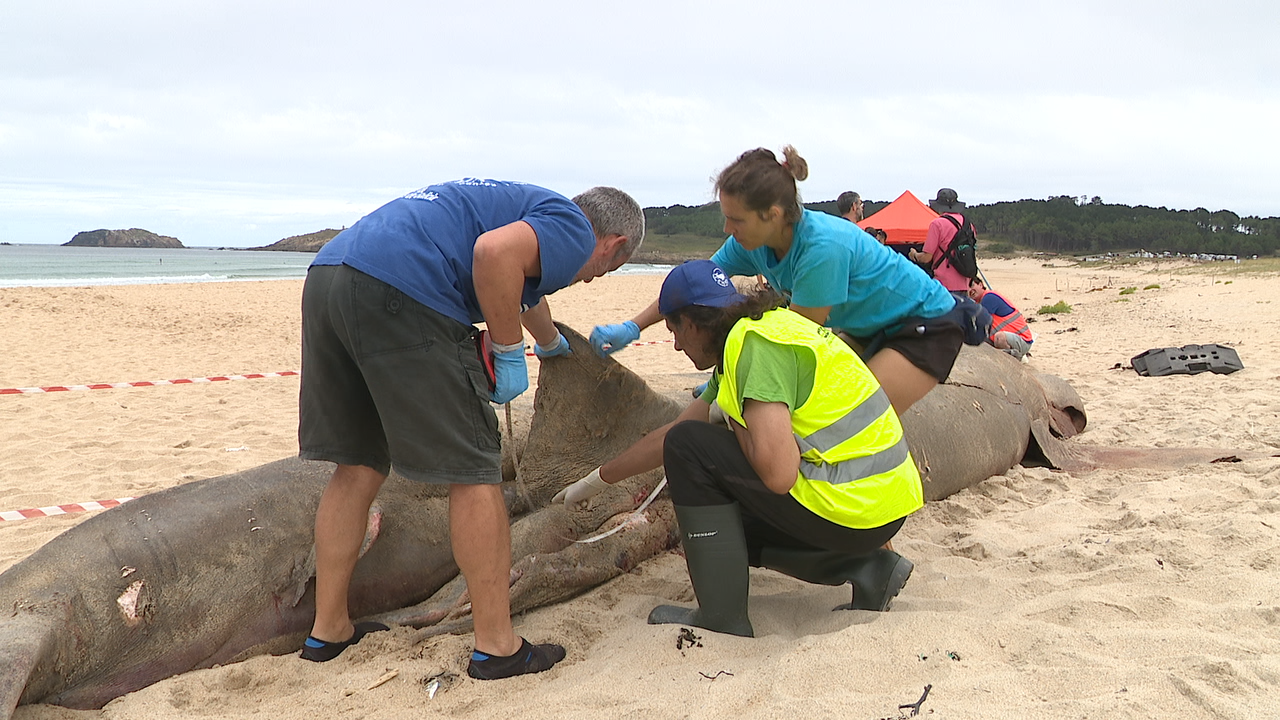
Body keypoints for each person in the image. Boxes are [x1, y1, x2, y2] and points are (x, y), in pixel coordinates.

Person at [297, 179, 644, 679]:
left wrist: (548, 345)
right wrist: (506, 352)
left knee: (358, 465)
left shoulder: (522, 207)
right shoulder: (573, 226)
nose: (590, 278)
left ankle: (327, 632)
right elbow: (494, 254)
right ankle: (497, 646)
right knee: (475, 472)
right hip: (402, 288)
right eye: (606, 268)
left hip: (331, 276)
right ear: (613, 245)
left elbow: (521, 287)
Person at [558, 260, 920, 636]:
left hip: (851, 507)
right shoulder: (761, 332)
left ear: (695, 323)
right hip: (881, 506)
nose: (677, 344)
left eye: (675, 331)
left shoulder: (754, 349)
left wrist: (733, 419)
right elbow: (668, 435)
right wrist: (597, 480)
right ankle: (868, 568)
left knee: (692, 451)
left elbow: (777, 476)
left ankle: (722, 617)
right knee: (725, 522)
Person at [590, 146, 963, 413]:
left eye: (736, 219)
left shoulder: (822, 249)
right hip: (864, 326)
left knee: (856, 417)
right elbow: (694, 284)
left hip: (924, 325)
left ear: (772, 214)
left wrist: (728, 384)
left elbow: (795, 345)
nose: (727, 228)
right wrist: (632, 327)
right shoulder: (752, 241)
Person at [910, 188, 971, 293]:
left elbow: (926, 257)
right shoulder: (967, 224)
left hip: (943, 285)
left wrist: (914, 255)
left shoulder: (937, 224)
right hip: (965, 283)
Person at [967, 277, 1034, 360]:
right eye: (967, 288)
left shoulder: (989, 297)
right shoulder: (978, 303)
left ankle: (1016, 358)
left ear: (980, 284)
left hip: (1022, 340)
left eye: (972, 285)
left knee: (999, 337)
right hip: (1011, 339)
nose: (970, 290)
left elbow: (977, 321)